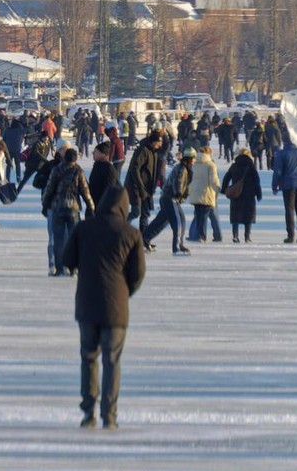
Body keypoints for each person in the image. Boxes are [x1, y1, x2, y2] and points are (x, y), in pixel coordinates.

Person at [61, 186, 145, 430]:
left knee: (89, 357)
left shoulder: (84, 228)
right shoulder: (131, 234)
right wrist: (124, 291)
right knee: (111, 360)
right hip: (116, 307)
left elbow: (67, 260)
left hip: (87, 303)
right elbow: (138, 273)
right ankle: (109, 414)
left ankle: (88, 413)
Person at [43, 148, 95, 276]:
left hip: (58, 208)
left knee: (58, 240)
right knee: (74, 240)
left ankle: (59, 268)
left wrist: (45, 204)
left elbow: (49, 189)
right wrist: (91, 206)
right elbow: (85, 191)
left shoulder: (57, 170)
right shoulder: (78, 171)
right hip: (73, 209)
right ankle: (73, 268)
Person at [142, 148, 195, 255]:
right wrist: (179, 193)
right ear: (190, 159)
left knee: (160, 222)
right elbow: (179, 181)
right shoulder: (182, 169)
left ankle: (144, 239)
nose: (194, 160)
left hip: (167, 198)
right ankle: (177, 247)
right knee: (179, 222)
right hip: (171, 198)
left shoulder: (184, 168)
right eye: (194, 158)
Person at [271, 138, 297, 244]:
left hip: (288, 185)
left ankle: (290, 235)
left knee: (289, 210)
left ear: (284, 142)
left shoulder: (282, 154)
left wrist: (274, 185)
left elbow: (278, 171)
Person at [222, 149, 262, 243]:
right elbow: (257, 181)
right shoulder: (251, 167)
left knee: (235, 216)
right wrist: (258, 194)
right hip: (249, 195)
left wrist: (224, 189)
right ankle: (247, 237)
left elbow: (226, 178)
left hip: (236, 194)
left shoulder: (234, 165)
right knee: (248, 217)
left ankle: (235, 235)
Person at [185, 148, 221, 243]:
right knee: (204, 216)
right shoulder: (210, 165)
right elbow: (214, 181)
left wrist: (188, 190)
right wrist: (219, 189)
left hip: (195, 193)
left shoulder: (193, 164)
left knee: (199, 215)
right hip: (206, 194)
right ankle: (202, 236)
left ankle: (198, 235)